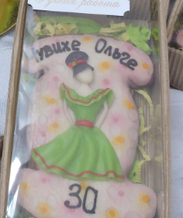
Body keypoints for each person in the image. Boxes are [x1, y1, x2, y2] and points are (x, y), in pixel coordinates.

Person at [31, 51, 124, 182]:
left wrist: (96, 126)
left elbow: (105, 109)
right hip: (76, 129)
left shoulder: (100, 95)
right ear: (77, 75)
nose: (89, 74)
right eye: (84, 71)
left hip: (93, 131)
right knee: (68, 151)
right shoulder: (71, 94)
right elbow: (66, 108)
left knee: (94, 153)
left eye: (90, 70)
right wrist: (72, 123)